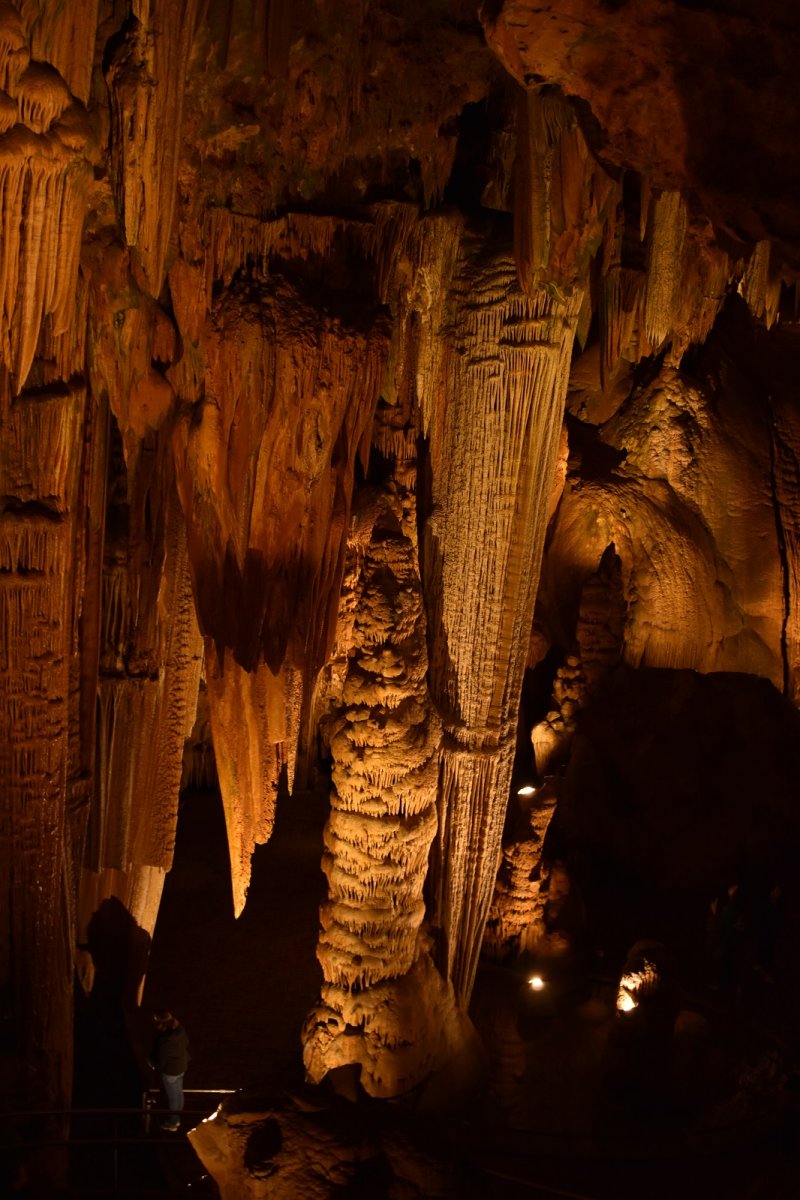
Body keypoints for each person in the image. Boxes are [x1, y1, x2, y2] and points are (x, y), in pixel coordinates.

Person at [148, 1009, 190, 1131]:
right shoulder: (180, 1031)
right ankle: (179, 1116)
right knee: (178, 1093)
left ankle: (173, 1122)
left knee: (173, 1097)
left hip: (171, 1071)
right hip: (181, 1066)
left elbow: (161, 1060)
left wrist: (154, 1065)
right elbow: (186, 1043)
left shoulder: (164, 1041)